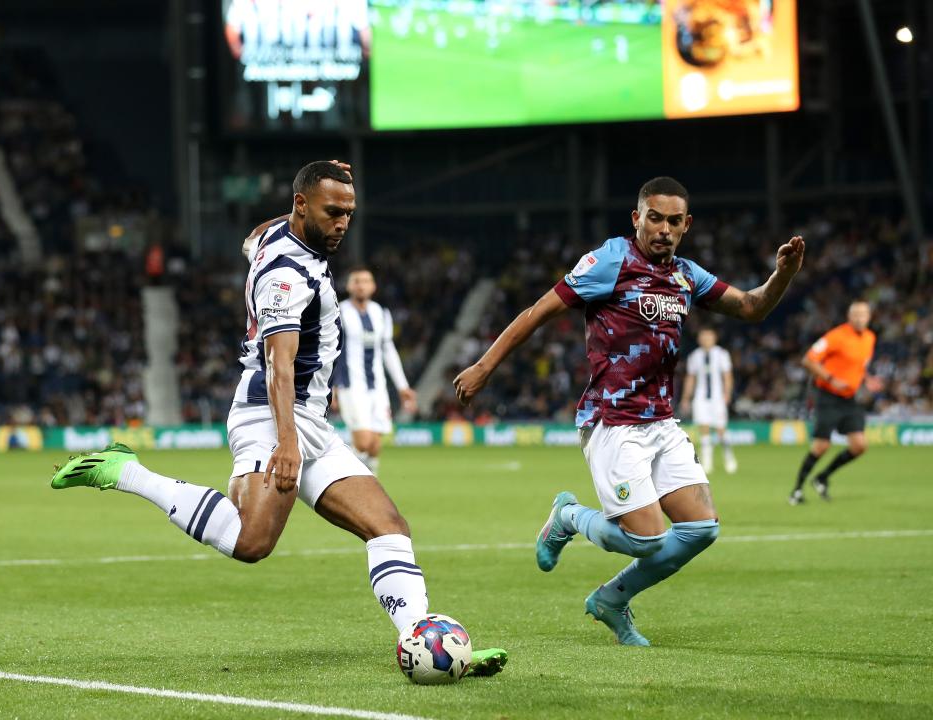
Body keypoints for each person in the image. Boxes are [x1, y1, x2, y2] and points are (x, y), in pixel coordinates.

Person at [50, 161, 505, 676]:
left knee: (388, 527)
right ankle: (126, 471)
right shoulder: (286, 276)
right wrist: (287, 442)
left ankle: (425, 641)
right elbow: (279, 364)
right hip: (268, 417)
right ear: (302, 206)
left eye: (349, 214)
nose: (342, 224)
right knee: (251, 542)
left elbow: (257, 233)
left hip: (308, 420)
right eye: (332, 212)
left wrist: (320, 180)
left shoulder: (276, 235)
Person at [454, 176, 804, 646]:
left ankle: (611, 600)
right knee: (645, 539)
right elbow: (539, 311)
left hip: (660, 422)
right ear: (637, 217)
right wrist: (483, 366)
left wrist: (783, 273)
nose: (663, 228)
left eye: (673, 221)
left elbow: (750, 307)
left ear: (686, 225)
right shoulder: (610, 261)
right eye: (654, 217)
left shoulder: (686, 274)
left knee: (701, 529)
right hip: (612, 421)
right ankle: (569, 517)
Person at [789, 301, 879, 505]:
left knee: (859, 445)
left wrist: (868, 379)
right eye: (855, 314)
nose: (859, 318)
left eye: (863, 314)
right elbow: (808, 360)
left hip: (850, 398)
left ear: (869, 317)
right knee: (822, 445)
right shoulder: (836, 336)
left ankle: (822, 477)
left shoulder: (870, 338)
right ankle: (796, 490)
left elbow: (859, 366)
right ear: (849, 316)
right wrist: (831, 379)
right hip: (827, 395)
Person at [332, 267, 417, 475]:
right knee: (362, 441)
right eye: (356, 281)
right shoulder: (338, 312)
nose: (361, 285)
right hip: (351, 385)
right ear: (349, 286)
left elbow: (388, 350)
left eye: (366, 281)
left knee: (374, 446)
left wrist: (403, 386)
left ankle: (366, 485)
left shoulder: (381, 313)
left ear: (373, 286)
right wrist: (331, 386)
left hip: (377, 387)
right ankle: (343, 478)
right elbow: (330, 350)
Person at [679, 327, 737, 474]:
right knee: (703, 429)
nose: (706, 340)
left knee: (720, 430)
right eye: (703, 337)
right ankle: (707, 462)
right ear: (699, 339)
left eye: (709, 337)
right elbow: (690, 378)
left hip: (717, 397)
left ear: (714, 338)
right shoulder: (695, 356)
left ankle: (728, 456)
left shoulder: (722, 354)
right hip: (701, 398)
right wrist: (686, 398)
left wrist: (727, 393)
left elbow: (727, 376)